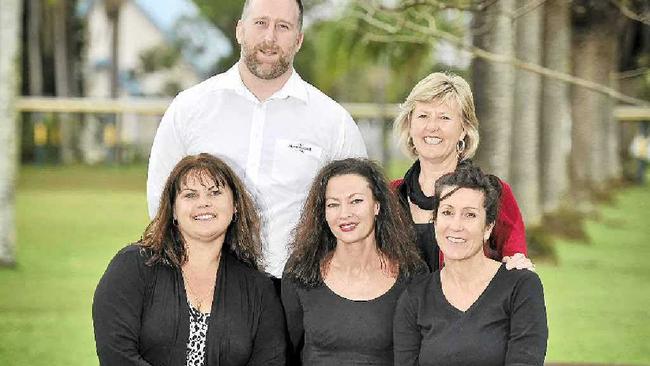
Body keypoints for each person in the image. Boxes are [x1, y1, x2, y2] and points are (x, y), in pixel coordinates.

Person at [147, 0, 367, 279]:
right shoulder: (189, 108)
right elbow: (160, 199)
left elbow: (359, 209)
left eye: (283, 27)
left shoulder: (334, 122)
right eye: (260, 23)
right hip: (203, 285)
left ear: (299, 40)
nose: (270, 37)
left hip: (293, 290)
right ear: (240, 30)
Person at [93, 153, 286, 365]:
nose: (204, 203)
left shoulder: (259, 289)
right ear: (173, 209)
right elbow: (116, 353)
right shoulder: (133, 267)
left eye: (215, 193)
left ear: (235, 206)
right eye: (190, 195)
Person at [393, 165, 548, 366]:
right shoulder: (414, 297)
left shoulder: (520, 287)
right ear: (435, 222)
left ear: (488, 228)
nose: (456, 226)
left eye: (470, 215)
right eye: (448, 212)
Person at [282, 158, 426, 365]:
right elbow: (286, 354)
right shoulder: (301, 271)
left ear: (377, 205)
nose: (344, 214)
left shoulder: (412, 274)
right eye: (333, 204)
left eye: (356, 201)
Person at [391, 72, 530, 271]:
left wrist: (517, 264)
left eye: (444, 117)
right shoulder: (391, 196)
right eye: (423, 116)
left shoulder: (493, 192)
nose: (432, 127)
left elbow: (516, 266)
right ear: (410, 124)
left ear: (464, 128)